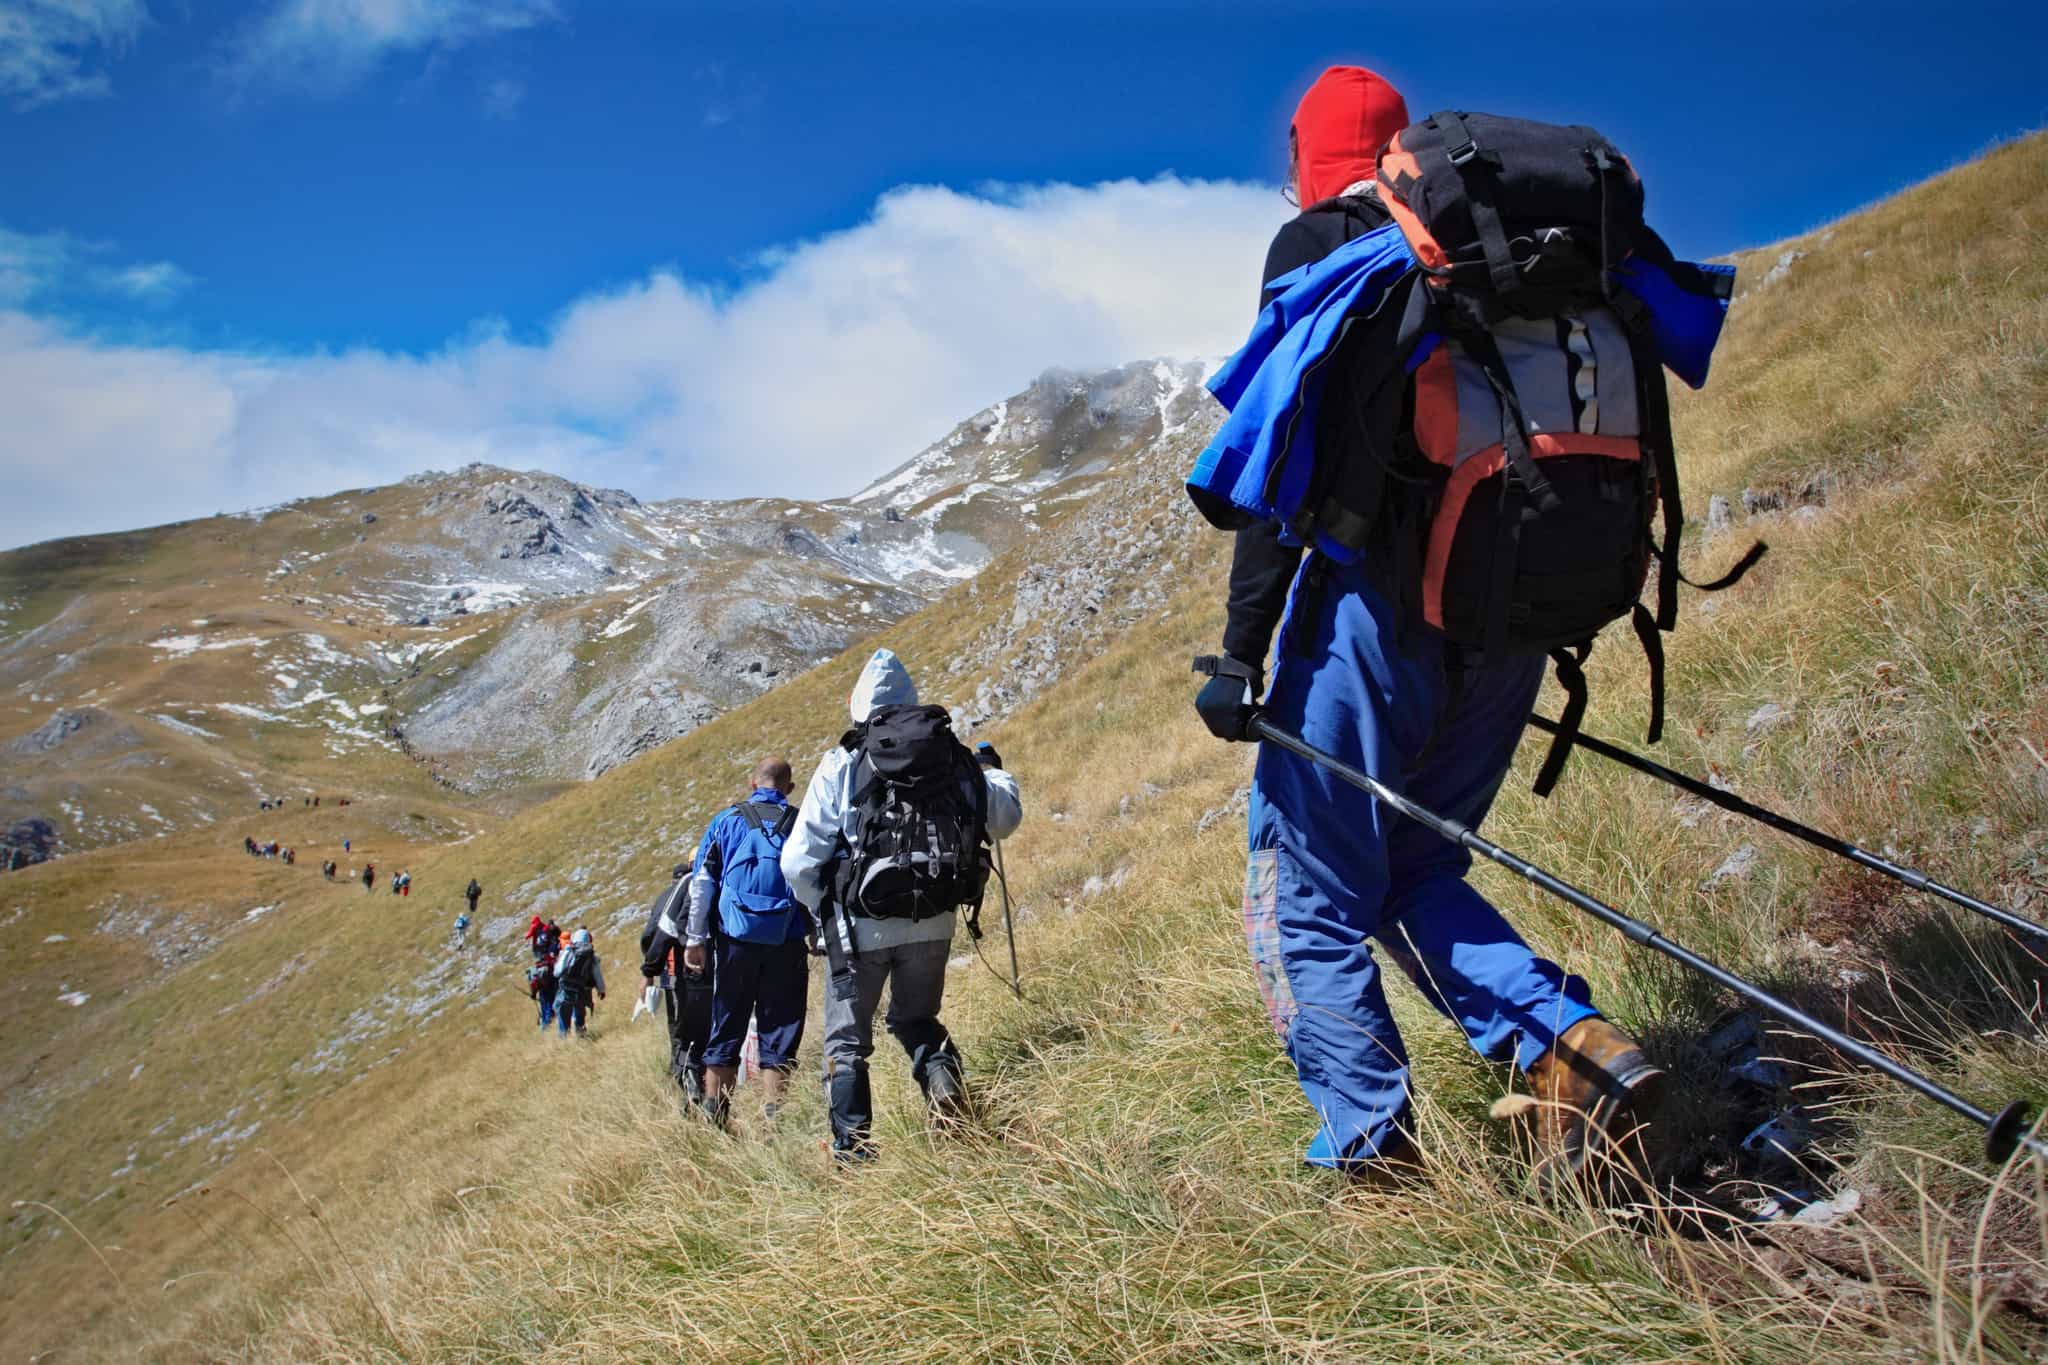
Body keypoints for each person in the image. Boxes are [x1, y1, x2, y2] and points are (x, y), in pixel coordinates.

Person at [1189, 65, 1665, 1182]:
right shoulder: (1515, 250)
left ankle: (1373, 1160)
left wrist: (1240, 652)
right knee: (1409, 869)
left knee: (1302, 890)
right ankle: (1573, 1050)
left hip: (1375, 617)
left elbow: (1277, 466)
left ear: (1306, 153)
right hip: (1510, 619)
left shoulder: (1329, 243)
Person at [781, 649, 1023, 1161]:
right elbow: (1002, 819)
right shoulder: (951, 755)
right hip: (934, 916)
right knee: (916, 1020)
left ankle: (854, 1154)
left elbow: (799, 861)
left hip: (858, 927)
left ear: (859, 706)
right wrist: (994, 774)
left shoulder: (844, 761)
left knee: (846, 1044)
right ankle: (947, 1097)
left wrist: (820, 911)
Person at [667, 761, 807, 1127]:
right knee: (780, 1027)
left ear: (752, 784)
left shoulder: (726, 821)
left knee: (726, 1024)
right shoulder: (799, 821)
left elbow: (703, 883)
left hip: (733, 943)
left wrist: (695, 939)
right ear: (788, 788)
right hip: (787, 940)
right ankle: (773, 1120)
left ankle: (716, 1113)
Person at [638, 858, 711, 1106]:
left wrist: (649, 970)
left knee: (680, 1029)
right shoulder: (714, 881)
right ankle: (706, 1085)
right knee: (710, 1029)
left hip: (678, 971)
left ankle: (685, 1083)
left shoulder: (670, 894)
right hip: (718, 970)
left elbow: (654, 934)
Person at [553, 928, 606, 1038]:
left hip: (566, 989)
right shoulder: (591, 956)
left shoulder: (568, 950)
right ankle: (581, 1037)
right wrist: (601, 990)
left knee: (563, 1016)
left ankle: (563, 1041)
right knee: (580, 1015)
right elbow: (597, 975)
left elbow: (557, 972)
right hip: (581, 991)